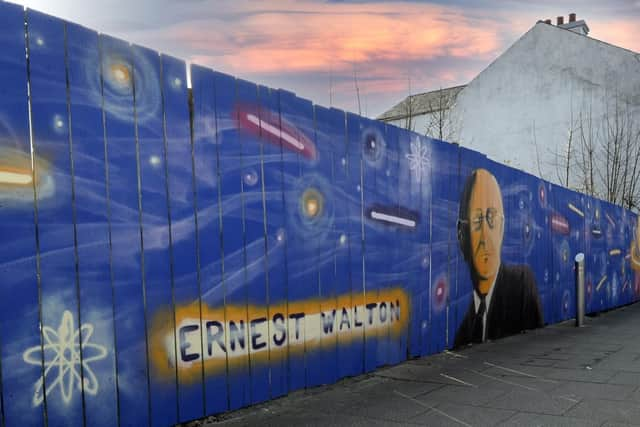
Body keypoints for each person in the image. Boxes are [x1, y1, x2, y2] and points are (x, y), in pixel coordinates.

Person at [454, 168, 543, 348]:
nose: (485, 237)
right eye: (478, 221)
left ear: (502, 228)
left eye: (492, 219)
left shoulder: (521, 285)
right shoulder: (463, 332)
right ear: (462, 234)